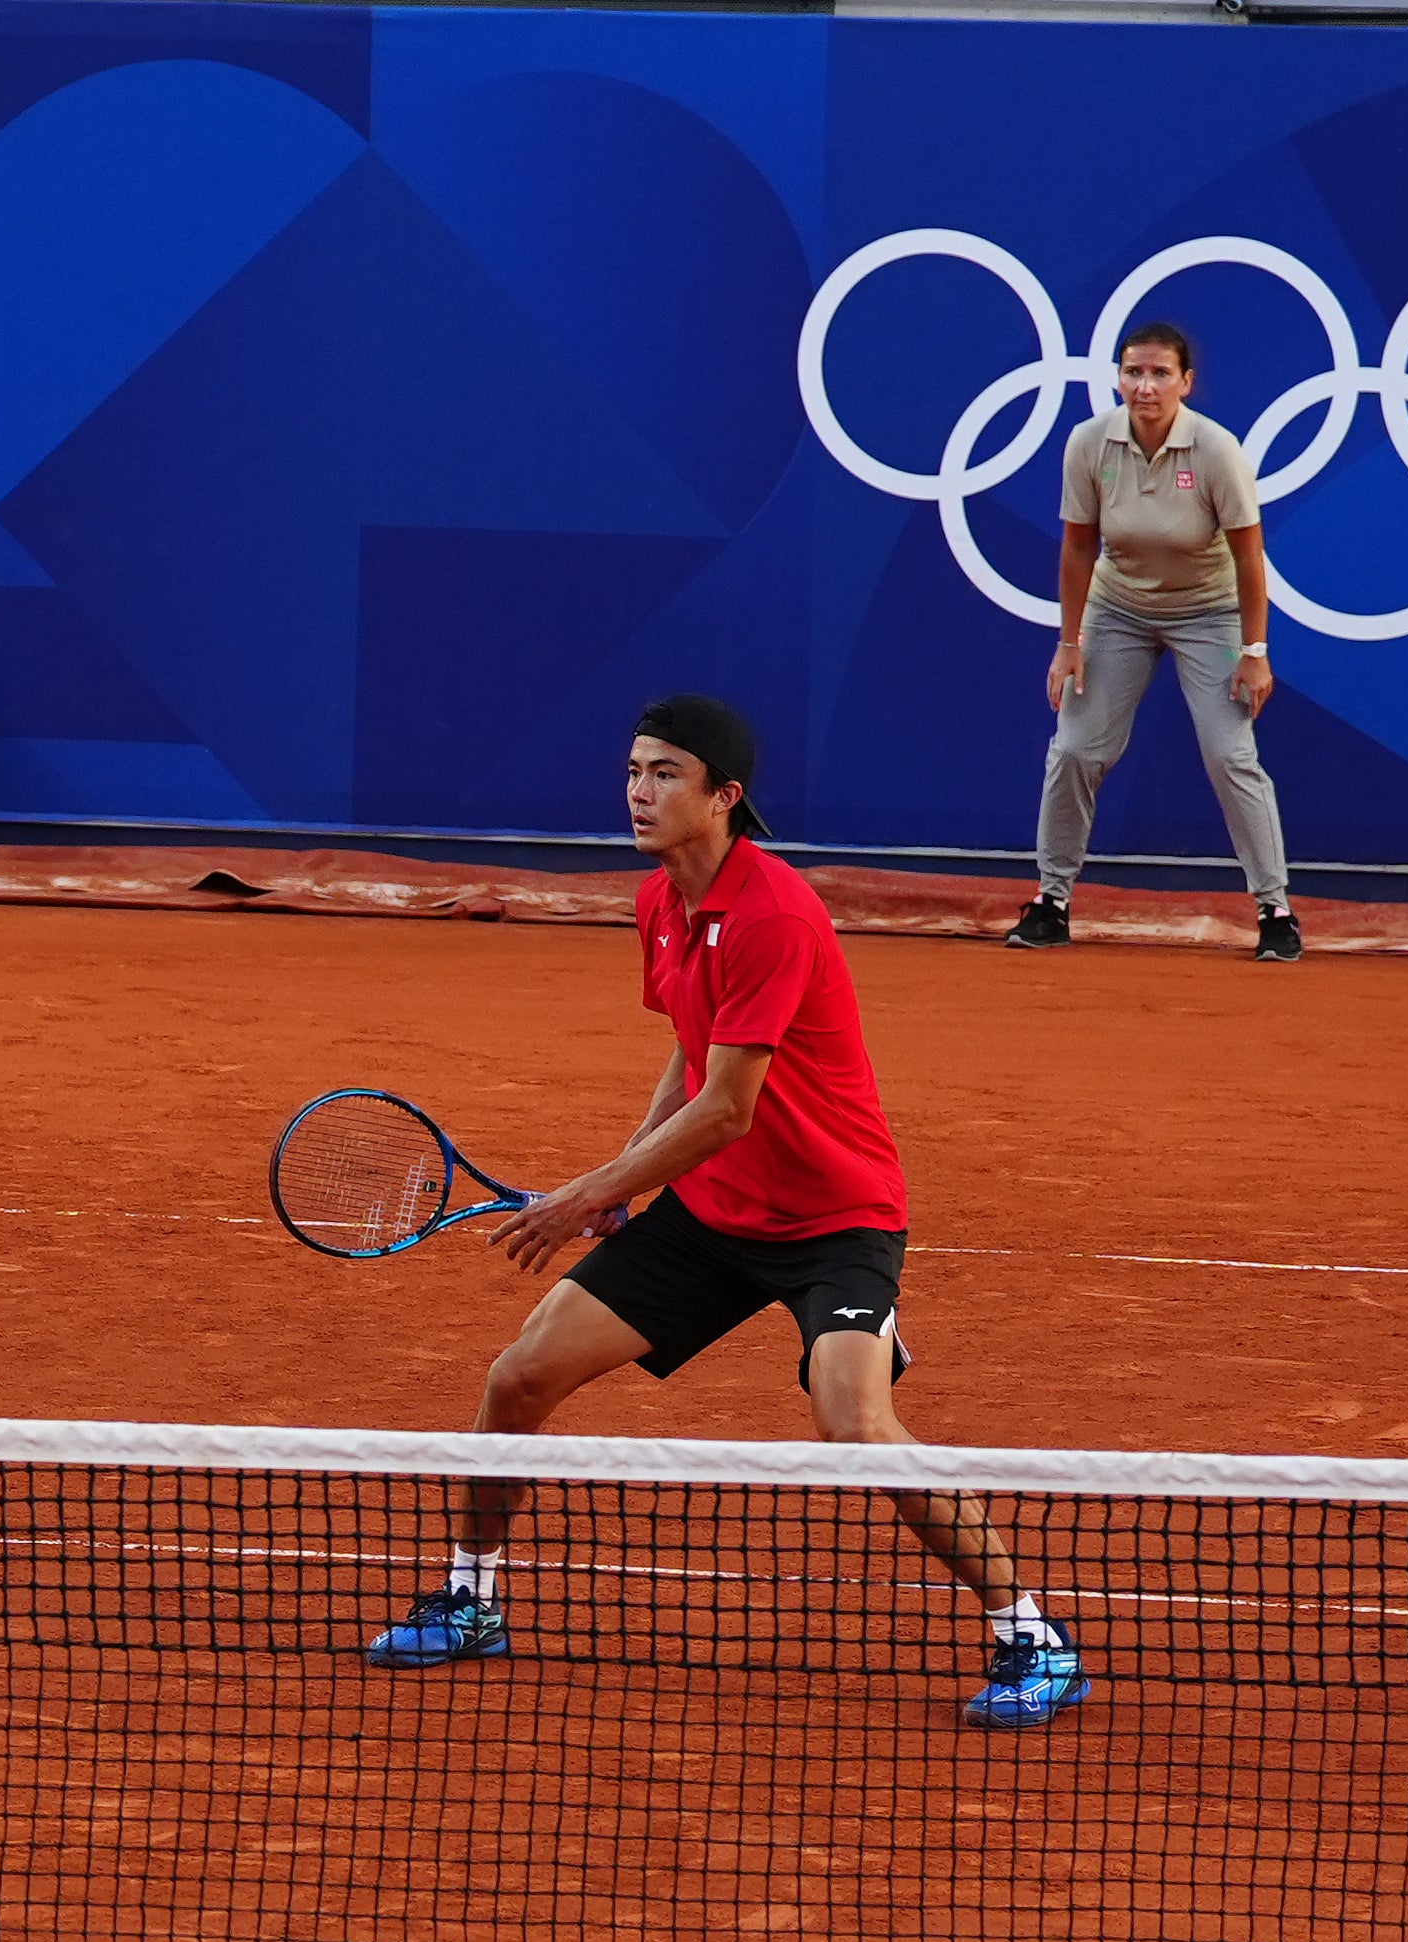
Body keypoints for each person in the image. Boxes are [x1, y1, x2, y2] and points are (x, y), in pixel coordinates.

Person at [358, 698, 1082, 1729]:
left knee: (854, 1423)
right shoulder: (660, 902)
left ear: (724, 797)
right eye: (633, 771)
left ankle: (1030, 1634)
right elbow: (692, 1052)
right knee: (519, 1376)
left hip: (836, 1215)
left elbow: (731, 1108)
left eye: (664, 775)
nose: (639, 793)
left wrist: (589, 1195)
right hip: (712, 1215)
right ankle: (471, 1596)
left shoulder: (776, 913)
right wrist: (630, 1178)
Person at [1020, 318, 1291, 961]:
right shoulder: (1089, 443)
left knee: (1230, 755)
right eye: (1133, 372)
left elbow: (1250, 558)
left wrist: (1254, 652)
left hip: (1211, 613)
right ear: (1118, 379)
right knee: (1077, 748)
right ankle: (1051, 900)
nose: (1145, 386)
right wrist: (1070, 640)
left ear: (1186, 383)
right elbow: (1079, 545)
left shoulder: (1218, 450)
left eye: (1159, 373)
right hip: (1120, 609)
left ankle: (1274, 909)